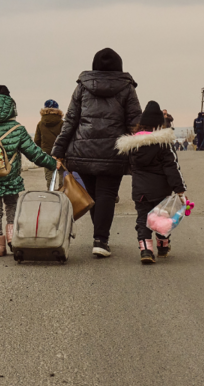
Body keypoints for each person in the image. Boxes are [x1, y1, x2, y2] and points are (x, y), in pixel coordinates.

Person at [52, 48, 141, 258]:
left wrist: (59, 150)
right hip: (113, 151)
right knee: (107, 195)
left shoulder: (82, 87)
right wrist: (141, 152)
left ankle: (99, 237)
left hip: (83, 151)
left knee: (92, 195)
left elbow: (70, 121)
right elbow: (134, 123)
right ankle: (101, 239)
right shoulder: (127, 88)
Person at [0, 86, 58, 256]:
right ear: (10, 104)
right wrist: (52, 163)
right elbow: (34, 153)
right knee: (12, 206)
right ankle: (12, 238)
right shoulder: (17, 129)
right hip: (10, 177)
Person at [115, 101, 187, 264]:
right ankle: (162, 246)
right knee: (161, 217)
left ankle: (146, 250)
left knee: (143, 219)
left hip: (140, 190)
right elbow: (172, 167)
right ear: (160, 124)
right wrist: (180, 190)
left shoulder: (131, 145)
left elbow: (126, 166)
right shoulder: (163, 144)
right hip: (160, 190)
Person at [34, 99, 64, 190]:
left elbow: (36, 140)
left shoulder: (40, 124)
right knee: (62, 174)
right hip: (61, 154)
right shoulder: (62, 123)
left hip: (47, 153)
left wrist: (42, 150)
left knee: (49, 176)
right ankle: (62, 192)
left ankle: (50, 192)